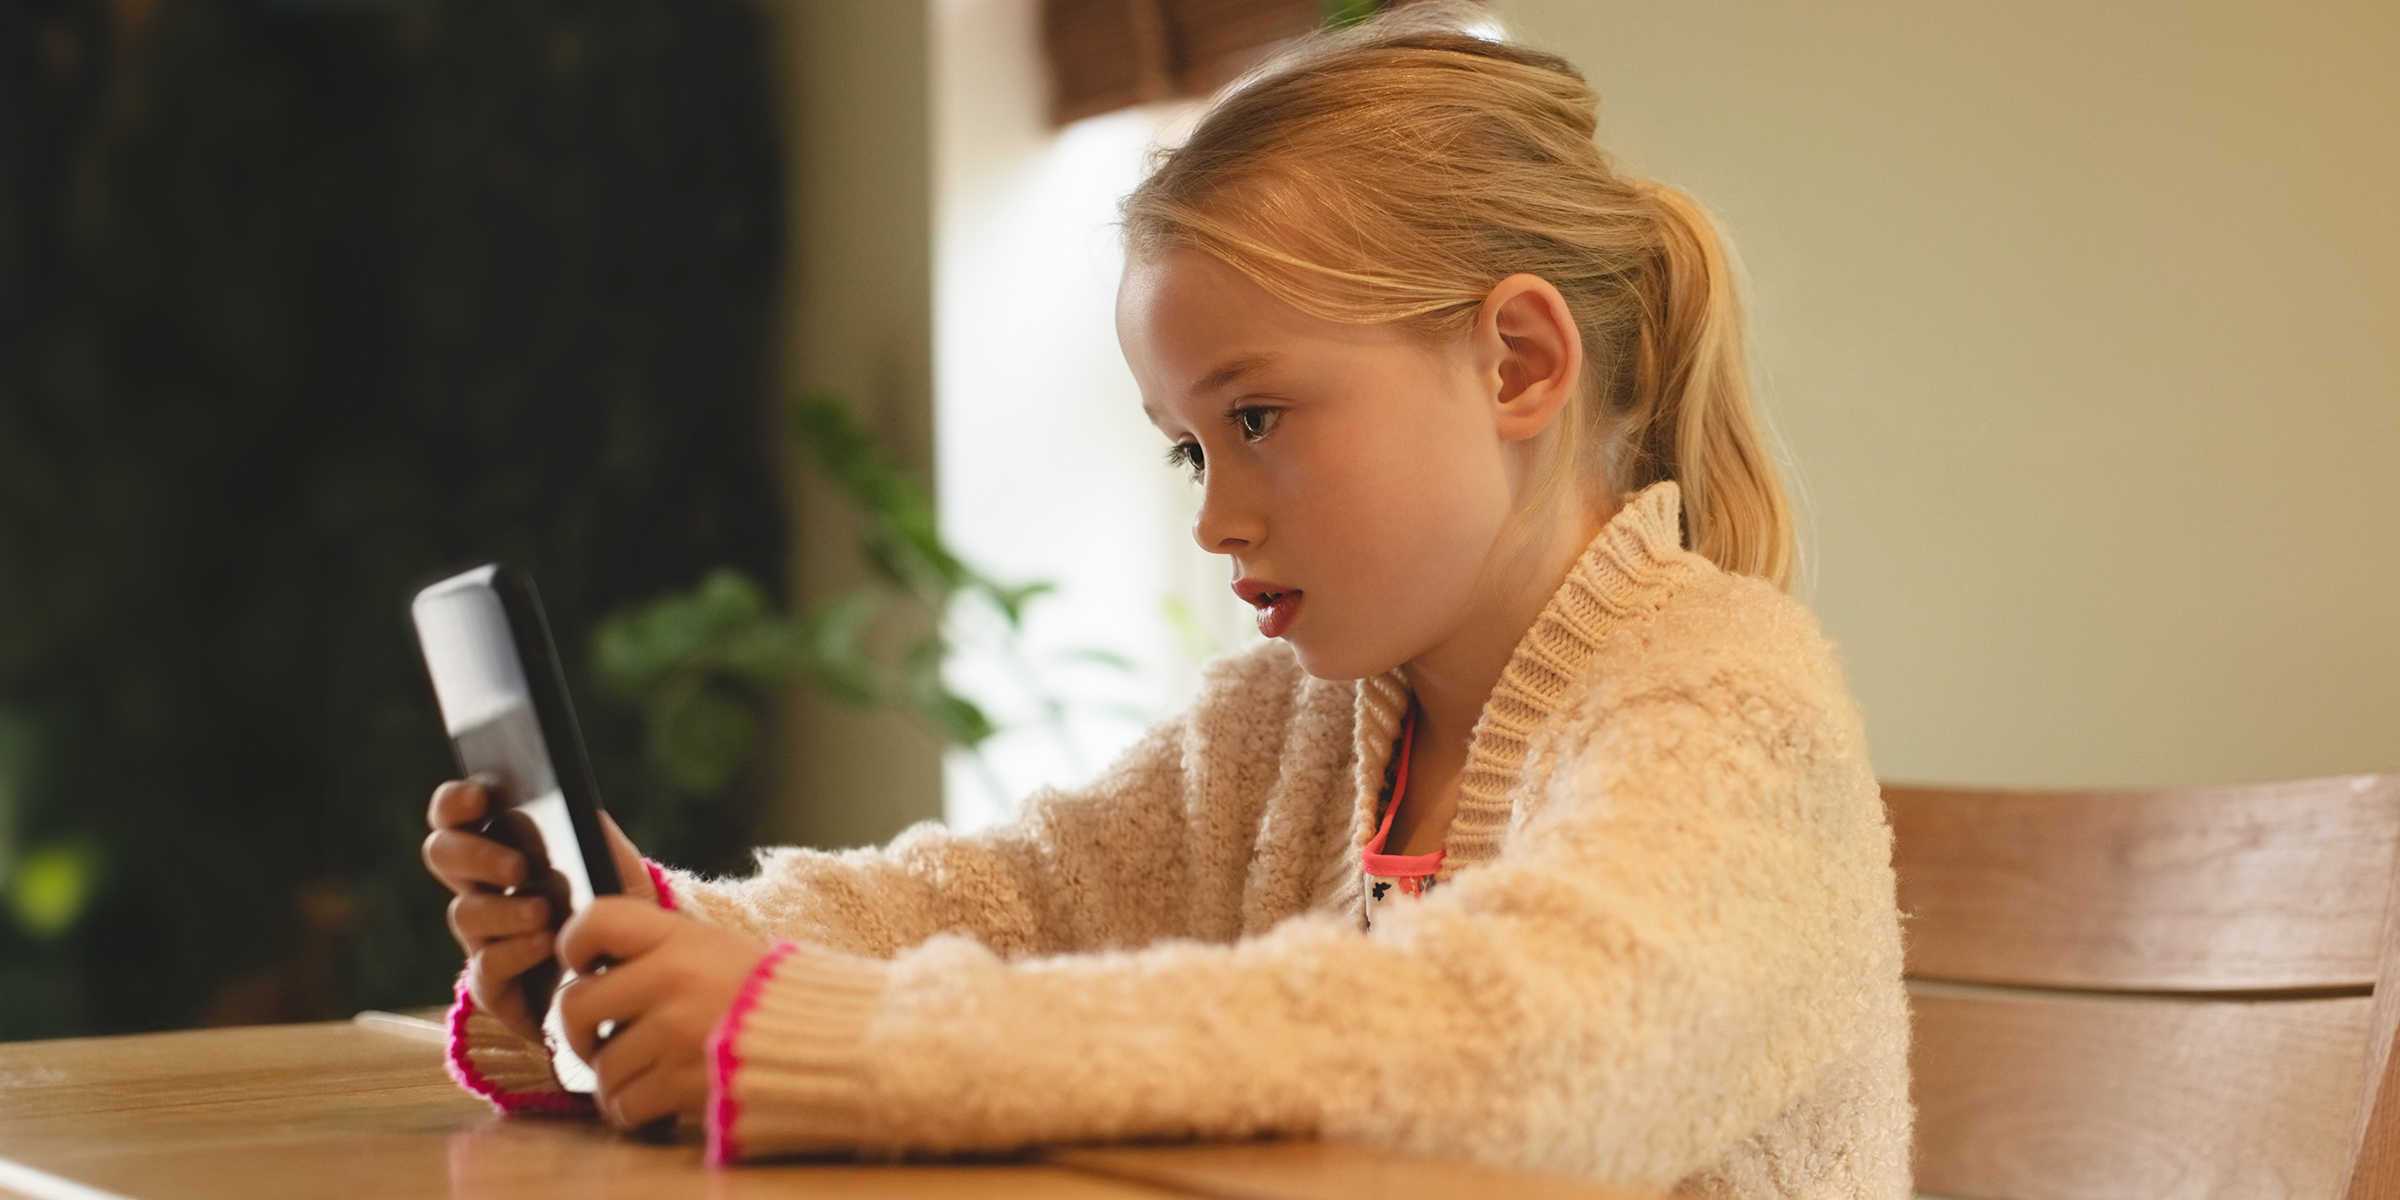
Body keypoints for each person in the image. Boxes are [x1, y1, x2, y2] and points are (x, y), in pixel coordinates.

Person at [421, 7, 1910, 1195]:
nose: (1213, 514)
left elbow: (1530, 1044)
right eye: (1188, 445)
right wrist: (662, 943)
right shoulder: (1297, 722)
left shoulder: (1728, 706)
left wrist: (840, 1040)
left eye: (1257, 417)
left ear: (1518, 361)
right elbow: (1012, 902)